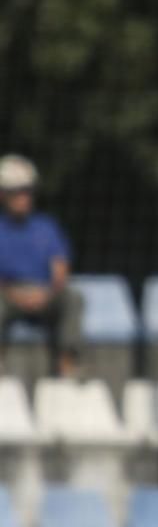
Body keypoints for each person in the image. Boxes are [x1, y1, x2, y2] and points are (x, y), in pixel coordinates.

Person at [0, 153, 83, 377]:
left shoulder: (46, 227)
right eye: (16, 192)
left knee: (73, 297)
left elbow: (60, 268)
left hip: (45, 293)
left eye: (27, 191)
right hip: (8, 294)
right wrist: (14, 294)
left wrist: (46, 294)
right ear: (3, 195)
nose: (23, 197)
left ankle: (68, 365)